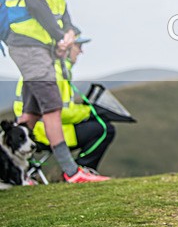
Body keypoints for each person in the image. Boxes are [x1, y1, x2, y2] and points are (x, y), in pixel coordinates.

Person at [2, 0, 108, 183]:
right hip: (26, 41)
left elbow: (58, 3)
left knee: (31, 112)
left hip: (42, 44)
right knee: (51, 104)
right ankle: (71, 172)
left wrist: (69, 29)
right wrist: (59, 34)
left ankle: (14, 173)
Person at [13, 36, 116, 173]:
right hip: (42, 132)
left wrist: (86, 111)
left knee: (99, 124)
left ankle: (77, 171)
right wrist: (89, 111)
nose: (81, 51)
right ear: (65, 49)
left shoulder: (53, 69)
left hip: (36, 129)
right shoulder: (53, 73)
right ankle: (81, 170)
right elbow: (55, 112)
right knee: (104, 129)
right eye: (78, 46)